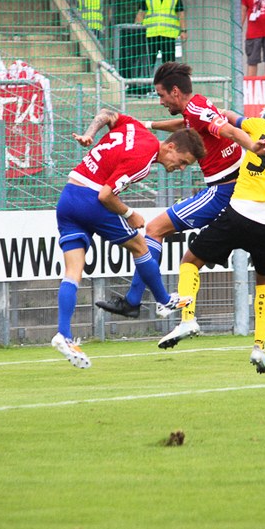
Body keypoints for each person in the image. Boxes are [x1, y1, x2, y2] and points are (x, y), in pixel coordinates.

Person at [95, 62, 265, 325]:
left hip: (222, 189)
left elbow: (228, 129)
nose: (161, 101)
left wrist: (252, 146)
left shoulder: (197, 110)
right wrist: (148, 124)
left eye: (162, 95)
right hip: (236, 188)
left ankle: (134, 301)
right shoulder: (196, 108)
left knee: (154, 229)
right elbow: (186, 124)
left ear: (175, 92)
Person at [157, 101, 265, 374]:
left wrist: (215, 112)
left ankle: (188, 318)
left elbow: (231, 118)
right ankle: (259, 347)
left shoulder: (261, 127)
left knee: (190, 261)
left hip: (237, 213)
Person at [52, 108, 205, 368]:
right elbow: (106, 195)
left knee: (72, 272)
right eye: (182, 161)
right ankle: (164, 300)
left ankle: (63, 335)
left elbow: (106, 114)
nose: (180, 168)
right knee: (141, 246)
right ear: (170, 146)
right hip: (90, 199)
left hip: (68, 198)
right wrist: (130, 214)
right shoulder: (143, 160)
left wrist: (90, 134)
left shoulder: (135, 128)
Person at [135, 0, 186, 84]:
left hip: (168, 35)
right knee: (147, 63)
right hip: (151, 35)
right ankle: (143, 86)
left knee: (169, 65)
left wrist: (183, 30)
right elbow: (140, 14)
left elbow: (181, 14)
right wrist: (136, 30)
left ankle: (169, 85)